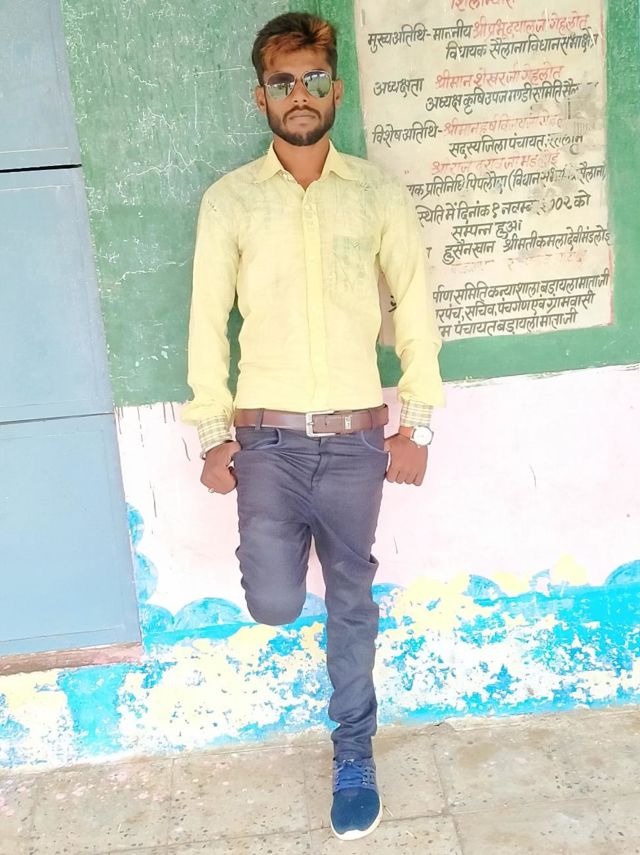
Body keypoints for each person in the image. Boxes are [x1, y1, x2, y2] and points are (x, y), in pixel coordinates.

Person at [182, 11, 444, 840]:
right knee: (273, 600)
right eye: (284, 82)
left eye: (316, 80)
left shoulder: (377, 193)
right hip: (266, 443)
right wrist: (211, 433)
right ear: (261, 96)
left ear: (337, 90)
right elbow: (205, 323)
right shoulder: (230, 201)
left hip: (359, 442)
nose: (301, 95)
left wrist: (417, 426)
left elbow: (416, 309)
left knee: (352, 599)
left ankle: (354, 752)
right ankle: (285, 543)